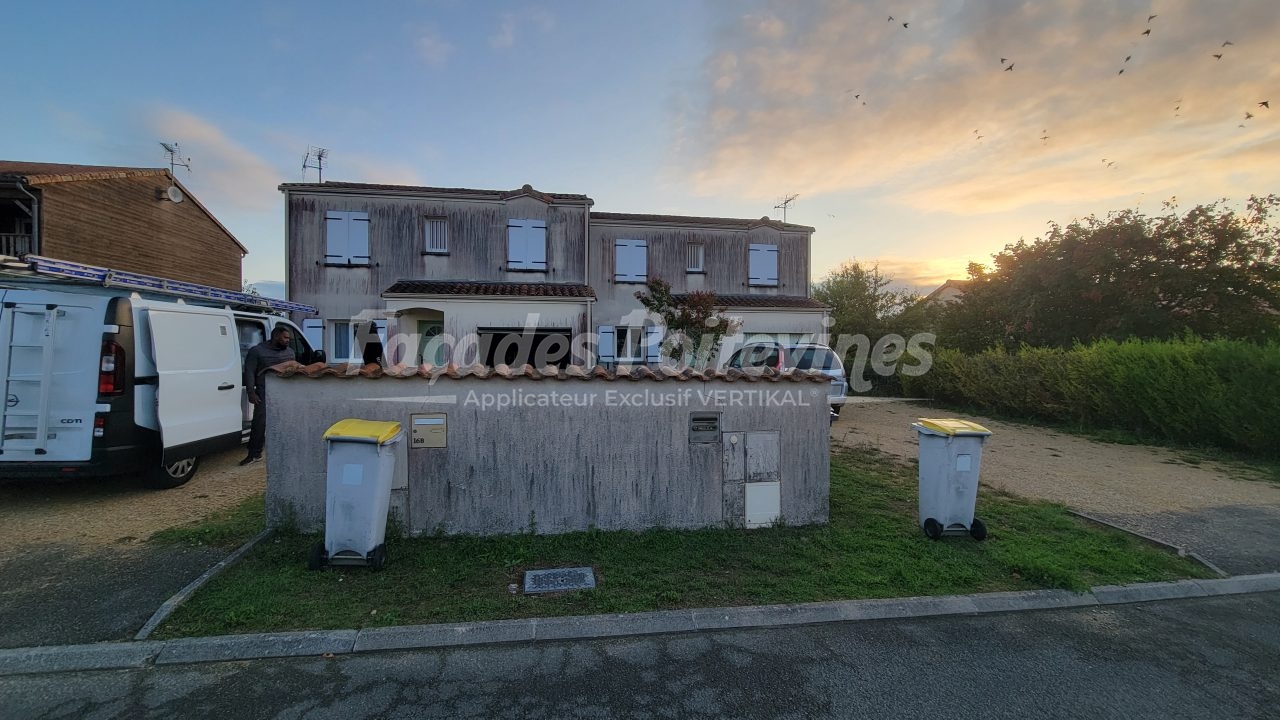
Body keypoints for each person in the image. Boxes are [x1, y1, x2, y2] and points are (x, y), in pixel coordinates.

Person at [240, 325, 296, 465]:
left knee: (286, 424)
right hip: (264, 394)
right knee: (259, 424)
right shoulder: (257, 351)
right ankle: (254, 454)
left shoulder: (289, 352)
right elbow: (249, 373)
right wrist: (251, 392)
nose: (288, 340)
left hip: (285, 395)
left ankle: (286, 451)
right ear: (276, 336)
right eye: (285, 337)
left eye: (289, 338)